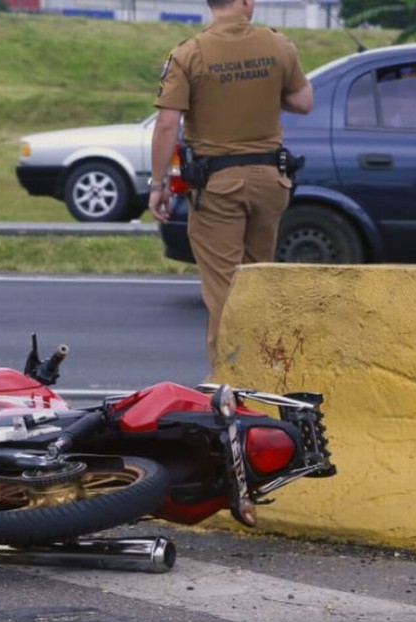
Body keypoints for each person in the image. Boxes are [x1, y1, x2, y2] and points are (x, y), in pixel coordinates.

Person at [148, 0, 313, 370]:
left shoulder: (188, 53)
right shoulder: (278, 45)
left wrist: (157, 184)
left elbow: (165, 124)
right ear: (245, 2)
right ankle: (267, 374)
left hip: (218, 186)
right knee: (259, 284)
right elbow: (303, 101)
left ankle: (231, 385)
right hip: (272, 181)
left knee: (224, 292)